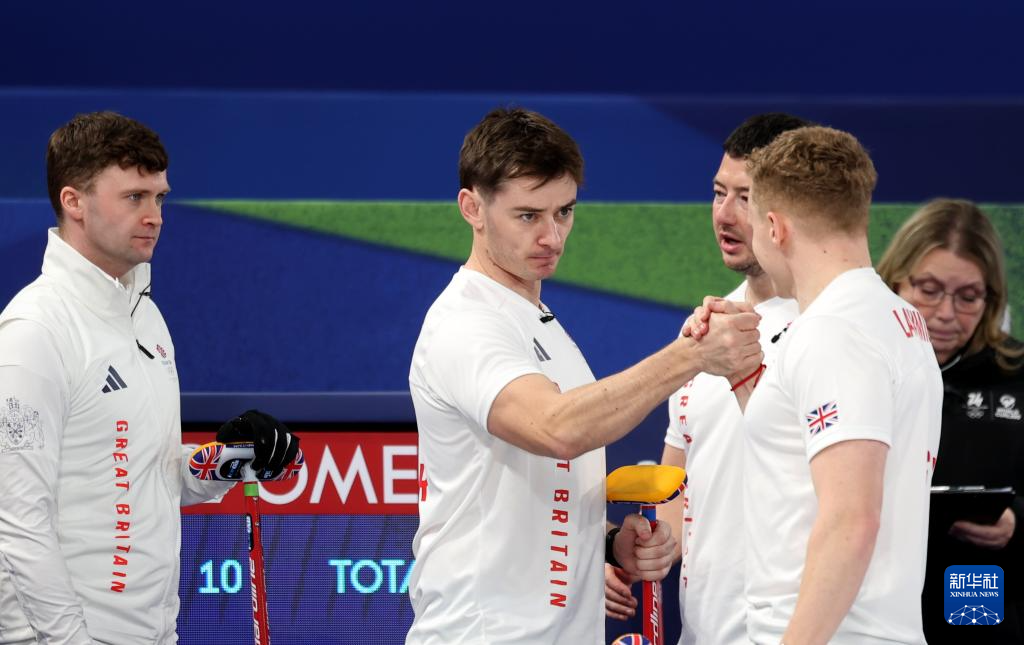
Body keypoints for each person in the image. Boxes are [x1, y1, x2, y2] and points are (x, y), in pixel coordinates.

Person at [406, 106, 764, 644]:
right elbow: (557, 429)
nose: (552, 236)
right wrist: (691, 355)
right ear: (472, 208)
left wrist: (610, 541)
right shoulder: (465, 324)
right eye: (528, 216)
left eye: (565, 212)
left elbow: (537, 488)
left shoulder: (536, 320)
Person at [0, 111, 300, 645]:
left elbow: (149, 475)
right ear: (74, 202)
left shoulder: (145, 316)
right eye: (134, 197)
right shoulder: (35, 330)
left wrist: (228, 458)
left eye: (159, 198)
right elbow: (17, 523)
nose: (154, 216)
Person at [704, 125, 942, 644]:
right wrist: (743, 375)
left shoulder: (832, 332)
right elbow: (801, 460)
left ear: (774, 228)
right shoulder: (898, 319)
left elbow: (851, 521)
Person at [603, 113, 808, 643]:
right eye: (719, 193)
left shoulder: (831, 326)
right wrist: (638, 551)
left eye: (745, 197)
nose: (724, 214)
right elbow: (678, 488)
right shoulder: (704, 328)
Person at [877, 198, 1024, 644]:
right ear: (895, 280)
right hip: (869, 602)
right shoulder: (855, 362)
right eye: (929, 289)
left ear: (991, 299)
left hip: (979, 597)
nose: (945, 313)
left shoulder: (1014, 373)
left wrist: (1017, 519)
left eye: (968, 297)